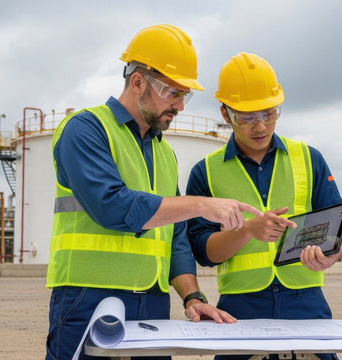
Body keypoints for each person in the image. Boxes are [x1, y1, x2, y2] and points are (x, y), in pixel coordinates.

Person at [45, 26, 263, 360]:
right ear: (137, 82)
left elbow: (175, 236)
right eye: (172, 93)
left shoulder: (164, 153)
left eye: (184, 95)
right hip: (88, 297)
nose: (179, 106)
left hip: (152, 304)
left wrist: (193, 298)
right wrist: (201, 204)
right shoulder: (86, 129)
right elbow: (111, 206)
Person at [186, 52, 342, 360]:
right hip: (240, 308)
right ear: (225, 113)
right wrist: (247, 231)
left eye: (269, 113)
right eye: (246, 117)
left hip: (306, 302)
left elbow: (340, 231)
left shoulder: (309, 158)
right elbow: (203, 253)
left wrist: (331, 254)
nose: (260, 126)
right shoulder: (205, 172)